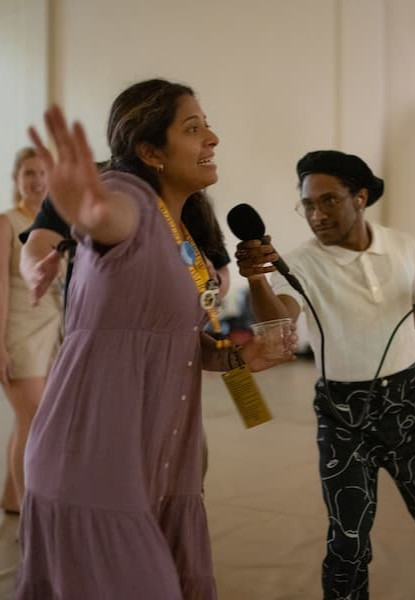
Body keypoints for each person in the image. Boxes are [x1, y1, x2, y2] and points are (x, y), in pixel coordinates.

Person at [14, 80, 292, 599]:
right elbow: (109, 218)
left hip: (161, 469)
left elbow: (184, 340)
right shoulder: (130, 198)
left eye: (207, 124)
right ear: (149, 152)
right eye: (193, 128)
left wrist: (233, 353)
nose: (211, 137)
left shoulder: (186, 236)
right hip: (93, 463)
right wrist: (87, 211)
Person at [236, 150, 415, 600]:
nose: (316, 215)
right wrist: (257, 280)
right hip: (343, 414)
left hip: (411, 401)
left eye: (328, 201)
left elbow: (410, 319)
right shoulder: (300, 264)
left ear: (360, 198)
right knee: (347, 541)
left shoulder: (401, 247)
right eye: (307, 204)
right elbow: (281, 321)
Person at [20, 189, 231, 308]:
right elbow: (39, 243)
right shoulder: (91, 186)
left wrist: (212, 281)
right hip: (100, 354)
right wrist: (35, 271)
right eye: (192, 129)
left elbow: (222, 273)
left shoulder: (193, 201)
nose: (211, 139)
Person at [0, 148, 62, 514]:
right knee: (32, 417)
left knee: (33, 418)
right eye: (28, 173)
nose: (37, 180)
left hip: (54, 328)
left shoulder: (58, 222)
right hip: (18, 330)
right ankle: (27, 511)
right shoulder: (7, 222)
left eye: (42, 172)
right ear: (16, 178)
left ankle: (11, 497)